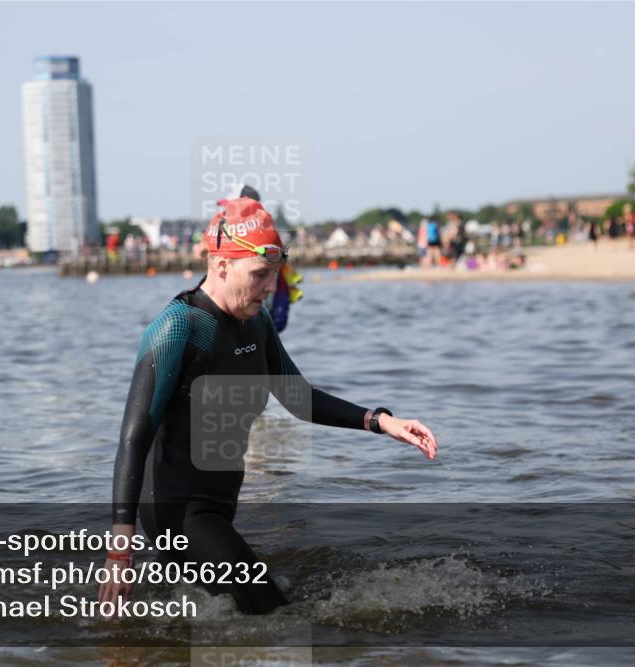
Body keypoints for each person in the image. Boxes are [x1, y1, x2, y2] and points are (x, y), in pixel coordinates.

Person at [99, 197, 438, 615]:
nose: (271, 288)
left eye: (274, 275)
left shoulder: (256, 324)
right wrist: (120, 548)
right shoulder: (177, 329)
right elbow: (133, 438)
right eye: (260, 274)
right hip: (177, 511)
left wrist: (380, 421)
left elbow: (299, 398)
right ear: (221, 265)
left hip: (218, 505)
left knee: (220, 618)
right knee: (275, 610)